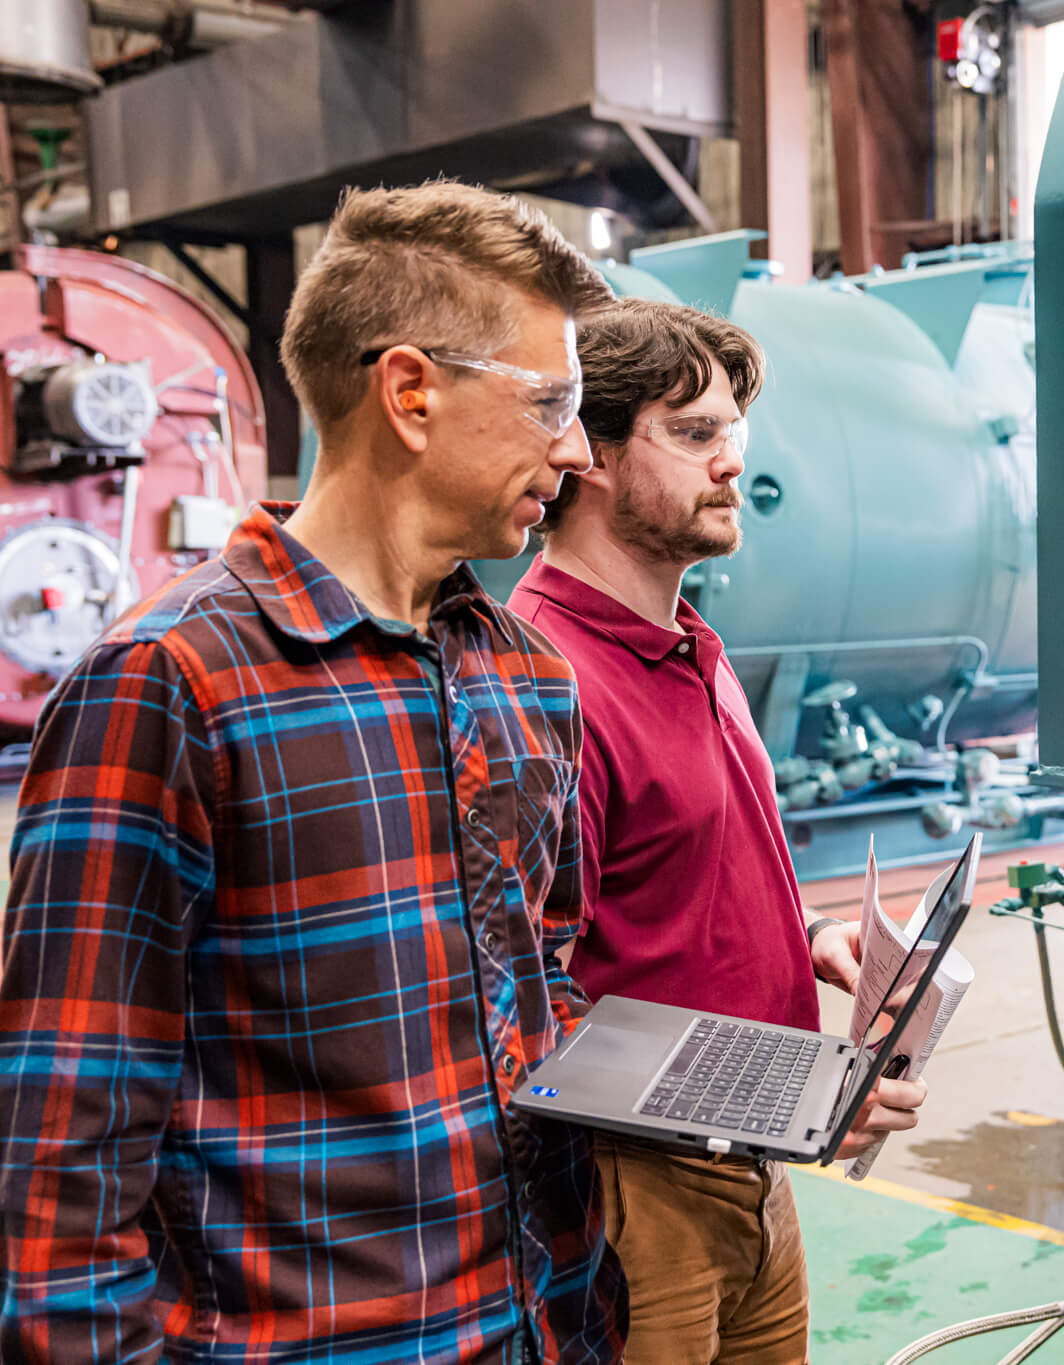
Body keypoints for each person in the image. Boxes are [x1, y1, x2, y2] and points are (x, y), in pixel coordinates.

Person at [0, 181, 627, 1363]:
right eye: (551, 401)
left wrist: (699, 1086)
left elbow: (536, 988)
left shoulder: (527, 679)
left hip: (544, 1324)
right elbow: (61, 1144)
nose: (578, 450)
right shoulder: (172, 684)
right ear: (409, 391)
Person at [507, 297, 929, 1363]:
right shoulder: (545, 683)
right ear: (588, 455)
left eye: (731, 432)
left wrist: (805, 932)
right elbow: (528, 1000)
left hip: (751, 1171)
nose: (730, 464)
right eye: (693, 435)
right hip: (635, 1191)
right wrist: (796, 1095)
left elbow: (681, 867)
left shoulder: (692, 644)